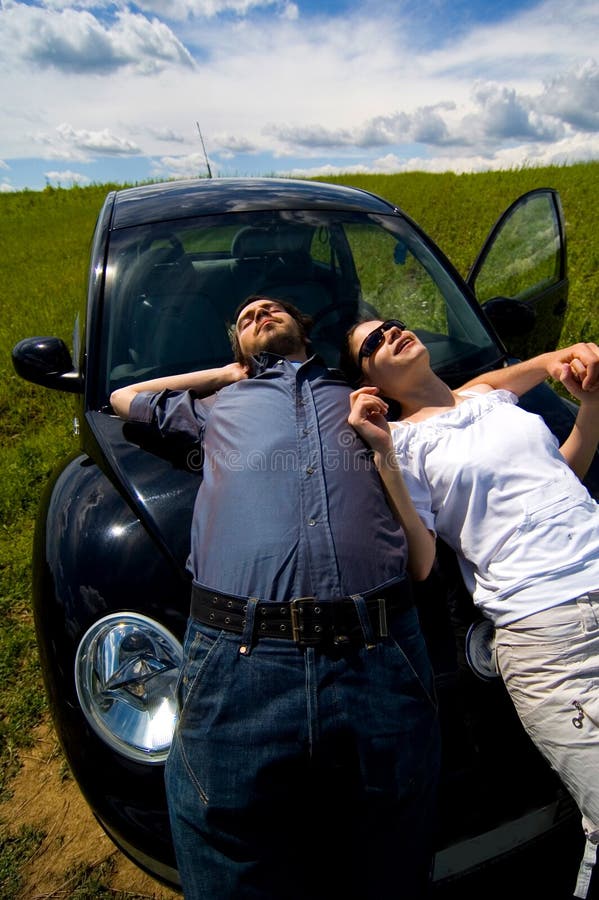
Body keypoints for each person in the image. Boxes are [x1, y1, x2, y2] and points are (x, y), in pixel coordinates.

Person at [110, 296, 441, 900]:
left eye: (274, 307)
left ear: (304, 326)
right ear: (237, 348)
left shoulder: (360, 389)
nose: (260, 310)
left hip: (381, 652)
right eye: (244, 317)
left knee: (393, 864)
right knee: (235, 869)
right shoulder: (215, 407)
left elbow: (455, 393)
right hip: (239, 660)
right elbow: (124, 399)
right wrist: (225, 374)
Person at [343, 317, 599, 899]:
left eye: (391, 325)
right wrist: (382, 455)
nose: (390, 334)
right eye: (373, 344)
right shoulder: (404, 442)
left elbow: (565, 475)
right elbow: (423, 560)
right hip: (549, 630)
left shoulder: (486, 395)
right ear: (371, 382)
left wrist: (592, 404)